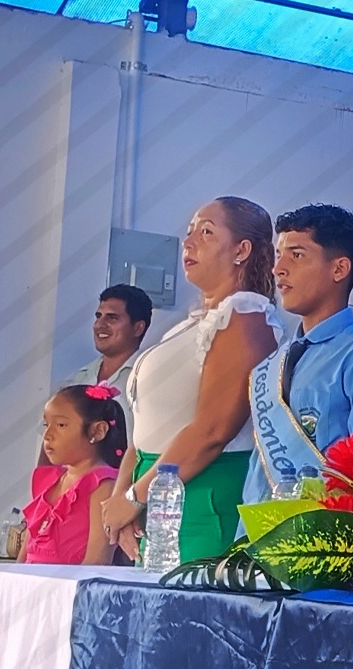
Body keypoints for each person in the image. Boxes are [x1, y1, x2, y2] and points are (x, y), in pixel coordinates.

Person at [103, 198, 282, 563]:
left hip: (202, 496)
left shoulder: (245, 315)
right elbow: (145, 430)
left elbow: (213, 430)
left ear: (241, 250)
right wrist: (123, 496)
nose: (188, 242)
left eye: (206, 232)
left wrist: (136, 497)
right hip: (155, 495)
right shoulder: (194, 323)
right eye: (189, 233)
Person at [243, 205, 353, 502]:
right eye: (278, 255)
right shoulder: (275, 362)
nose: (278, 268)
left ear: (339, 269)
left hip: (318, 524)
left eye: (296, 255)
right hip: (256, 526)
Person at [21, 385, 128, 565]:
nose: (47, 435)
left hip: (71, 583)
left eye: (61, 425)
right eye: (46, 425)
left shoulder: (104, 485)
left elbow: (97, 561)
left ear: (97, 431)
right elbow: (25, 554)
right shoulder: (49, 481)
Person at [63, 284, 152, 387]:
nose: (99, 325)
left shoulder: (148, 379)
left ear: (138, 328)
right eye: (98, 316)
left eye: (112, 318)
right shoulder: (78, 379)